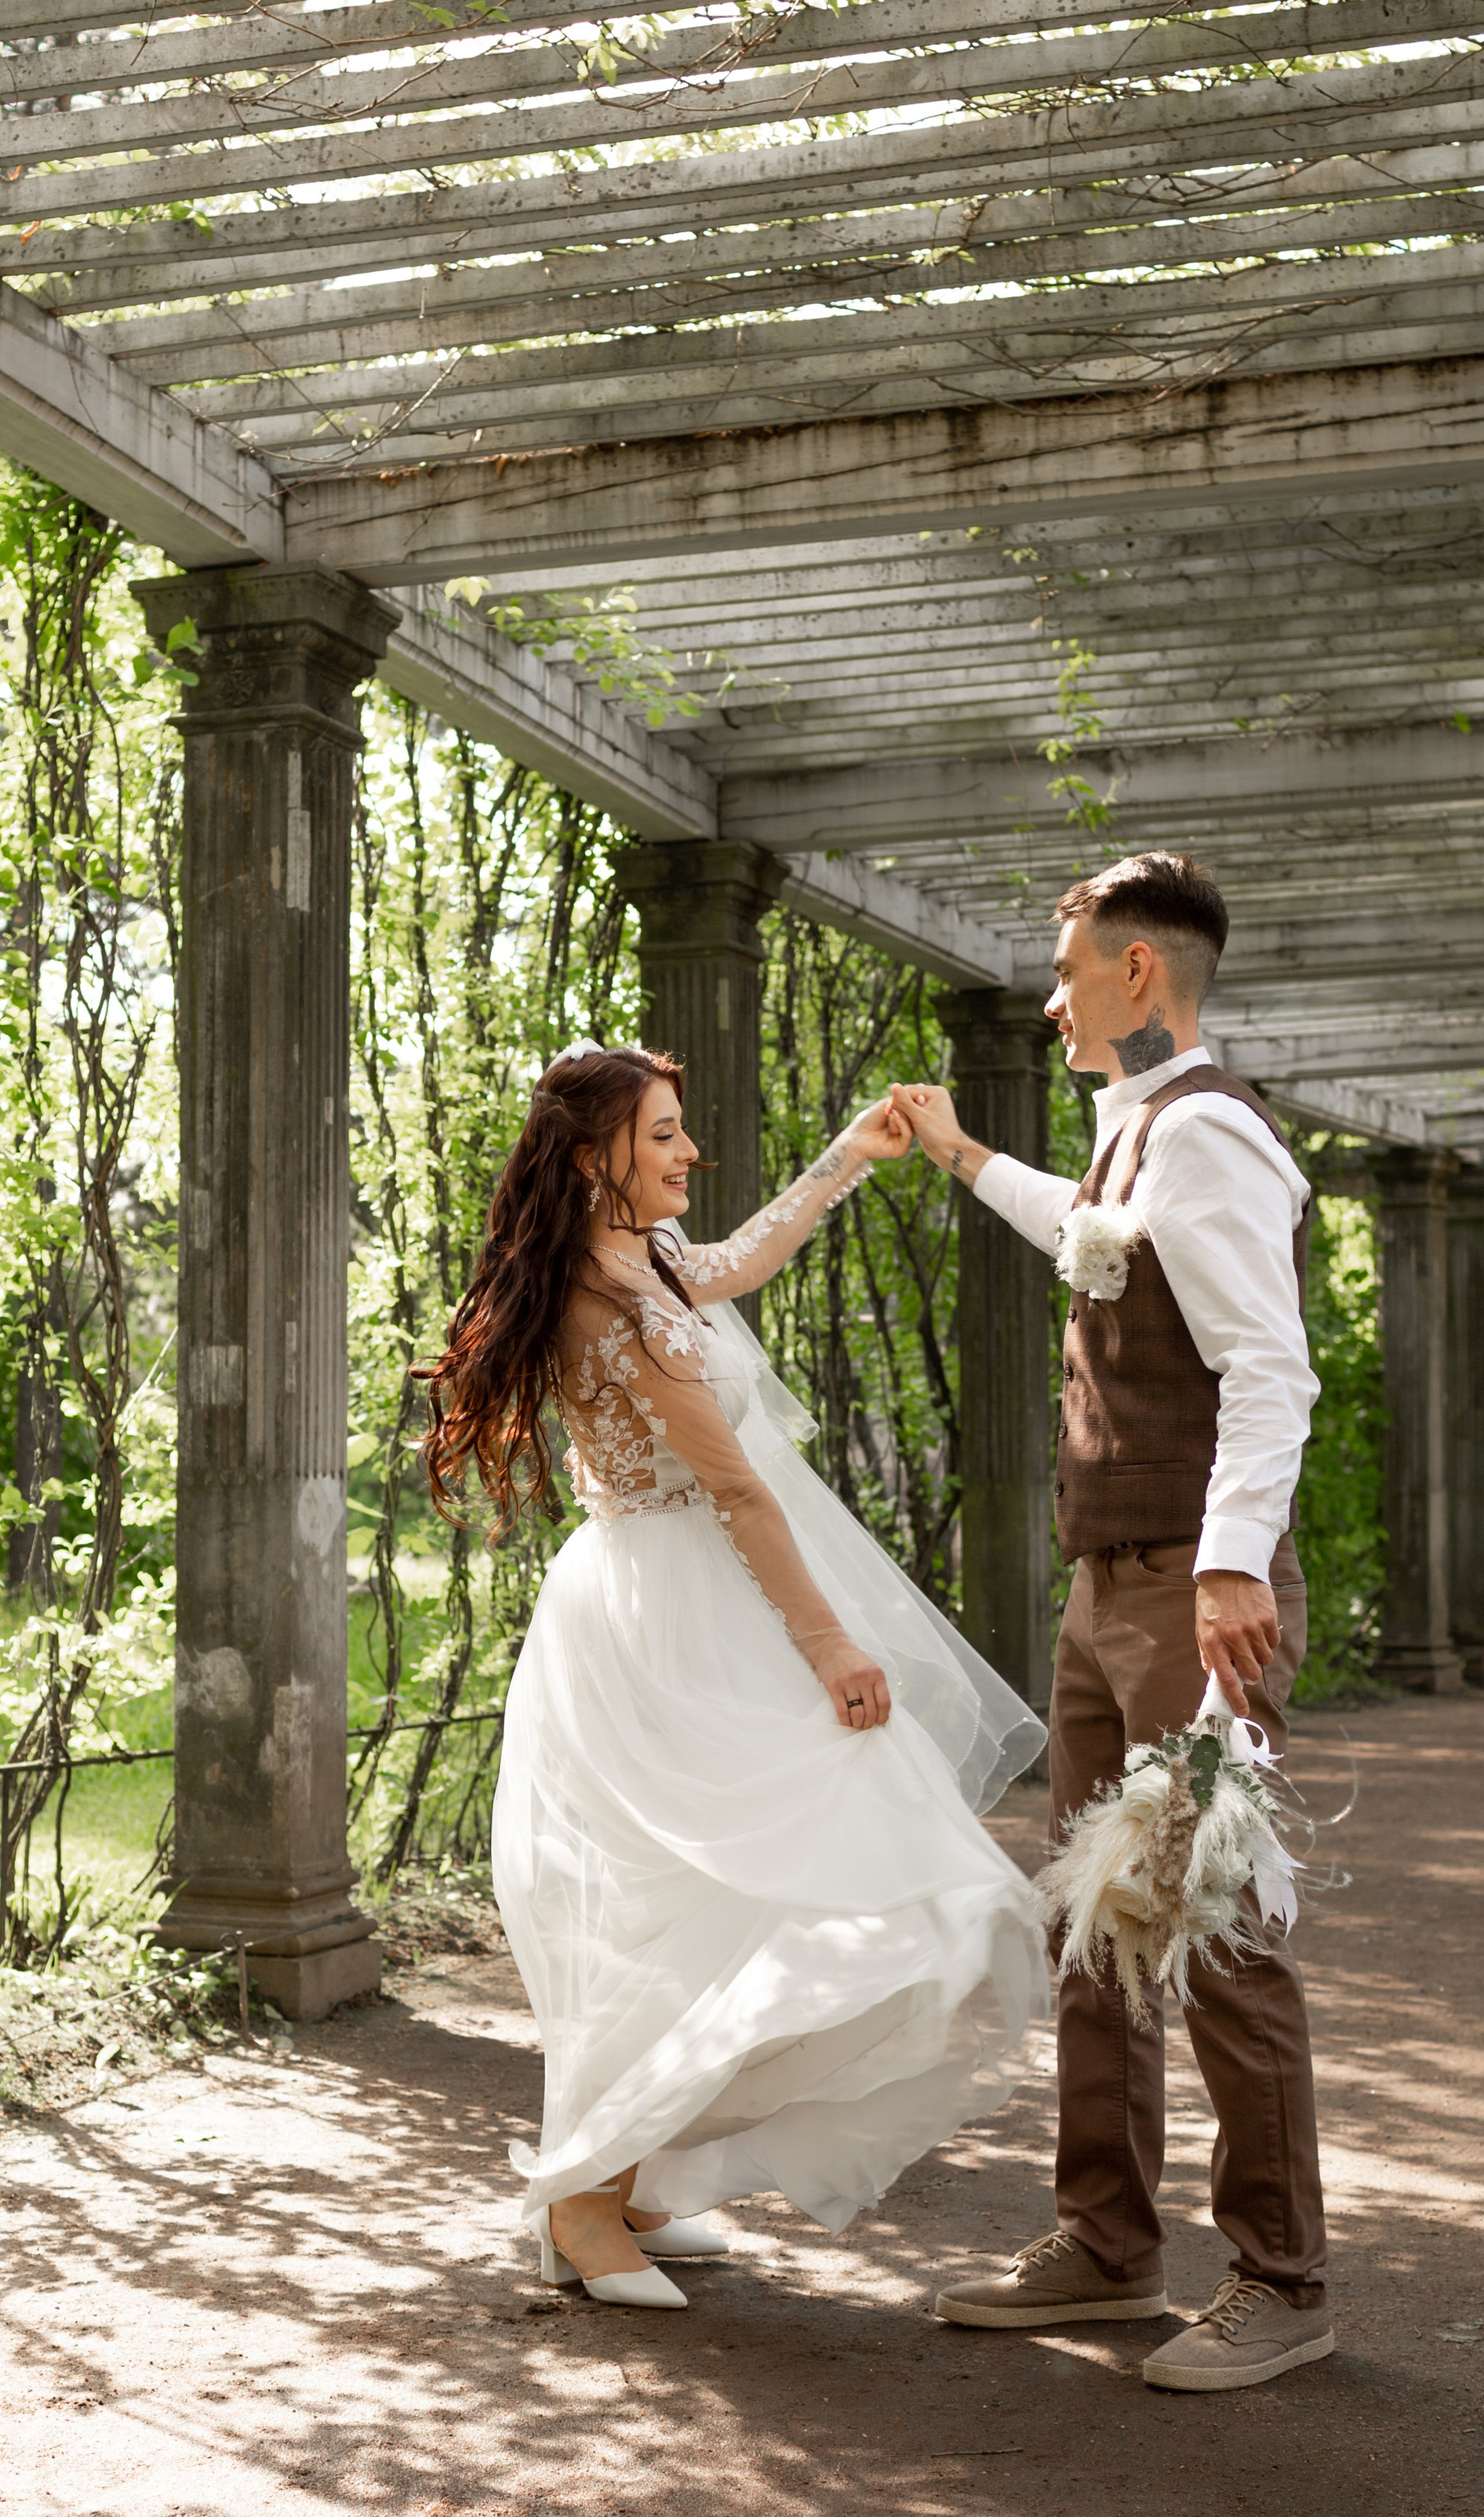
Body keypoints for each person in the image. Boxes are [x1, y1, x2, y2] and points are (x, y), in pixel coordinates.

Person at [420, 1043, 1048, 2311]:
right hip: (672, 1617)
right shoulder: (613, 1300)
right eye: (663, 1135)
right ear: (599, 1156)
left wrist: (845, 1164)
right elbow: (737, 1486)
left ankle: (636, 2184)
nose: (688, 1153)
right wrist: (829, 1640)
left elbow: (733, 1265)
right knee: (683, 1905)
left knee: (722, 1900)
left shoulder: (642, 1264)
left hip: (684, 1596)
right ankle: (583, 2209)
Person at [897, 852, 1331, 2392]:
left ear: (1135, 975)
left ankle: (1280, 2281)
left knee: (1208, 1926)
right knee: (1095, 1920)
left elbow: (1269, 1372)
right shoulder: (1138, 1132)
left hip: (1179, 1592)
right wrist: (961, 1159)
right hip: (1107, 1591)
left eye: (1068, 965)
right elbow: (1103, 1249)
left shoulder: (1203, 1131)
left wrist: (1227, 1568)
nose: (1050, 992)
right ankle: (1105, 2245)